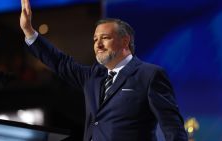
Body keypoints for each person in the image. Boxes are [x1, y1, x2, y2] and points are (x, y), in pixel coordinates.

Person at [20, 0, 188, 140]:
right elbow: (60, 62)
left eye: (105, 38)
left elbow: (173, 128)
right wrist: (29, 32)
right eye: (95, 40)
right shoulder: (94, 76)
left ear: (125, 41)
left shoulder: (149, 75)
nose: (98, 45)